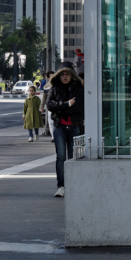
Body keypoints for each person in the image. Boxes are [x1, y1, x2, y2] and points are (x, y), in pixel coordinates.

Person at [46, 65, 84, 198]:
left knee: (73, 157)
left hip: (75, 126)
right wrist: (67, 104)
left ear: (72, 75)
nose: (65, 76)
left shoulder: (79, 88)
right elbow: (50, 105)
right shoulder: (54, 88)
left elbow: (78, 107)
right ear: (58, 76)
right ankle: (61, 186)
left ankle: (73, 184)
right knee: (60, 157)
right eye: (62, 74)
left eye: (67, 74)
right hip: (59, 127)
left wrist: (60, 108)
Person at [39, 71, 54, 136]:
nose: (53, 77)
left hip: (59, 106)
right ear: (48, 78)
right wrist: (42, 107)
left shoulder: (58, 85)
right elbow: (44, 98)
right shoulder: (46, 86)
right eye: (51, 76)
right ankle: (53, 137)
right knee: (50, 122)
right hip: (50, 107)